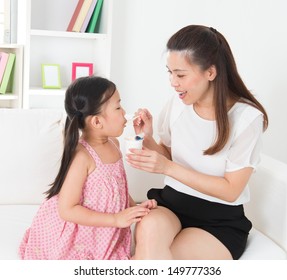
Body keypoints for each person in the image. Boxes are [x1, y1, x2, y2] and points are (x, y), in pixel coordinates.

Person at [126, 25, 268, 260]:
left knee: (155, 261)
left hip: (218, 221)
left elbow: (231, 190)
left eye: (181, 75)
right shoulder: (177, 103)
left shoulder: (246, 118)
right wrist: (148, 139)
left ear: (210, 72)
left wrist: (166, 167)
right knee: (150, 235)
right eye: (169, 72)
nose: (173, 82)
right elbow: (171, 156)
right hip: (171, 204)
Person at [19, 76, 156, 260]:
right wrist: (116, 219)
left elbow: (117, 189)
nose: (124, 113)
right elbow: (67, 210)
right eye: (118, 107)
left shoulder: (114, 144)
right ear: (97, 122)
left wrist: (135, 207)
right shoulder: (83, 157)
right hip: (80, 233)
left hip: (106, 230)